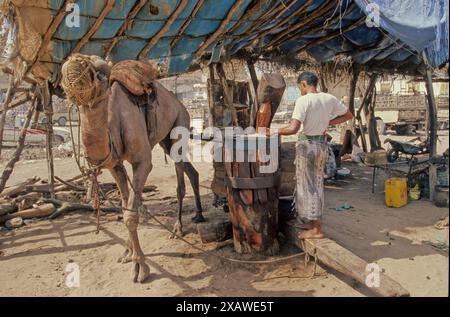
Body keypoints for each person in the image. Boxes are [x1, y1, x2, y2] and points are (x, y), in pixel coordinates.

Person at [272, 72, 353, 239]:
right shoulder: (328, 98)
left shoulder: (303, 100)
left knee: (312, 187)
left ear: (303, 84)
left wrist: (273, 131)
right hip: (321, 146)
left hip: (308, 146)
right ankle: (311, 222)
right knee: (311, 184)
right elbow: (348, 115)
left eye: (298, 86)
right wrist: (328, 122)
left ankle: (316, 229)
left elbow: (293, 128)